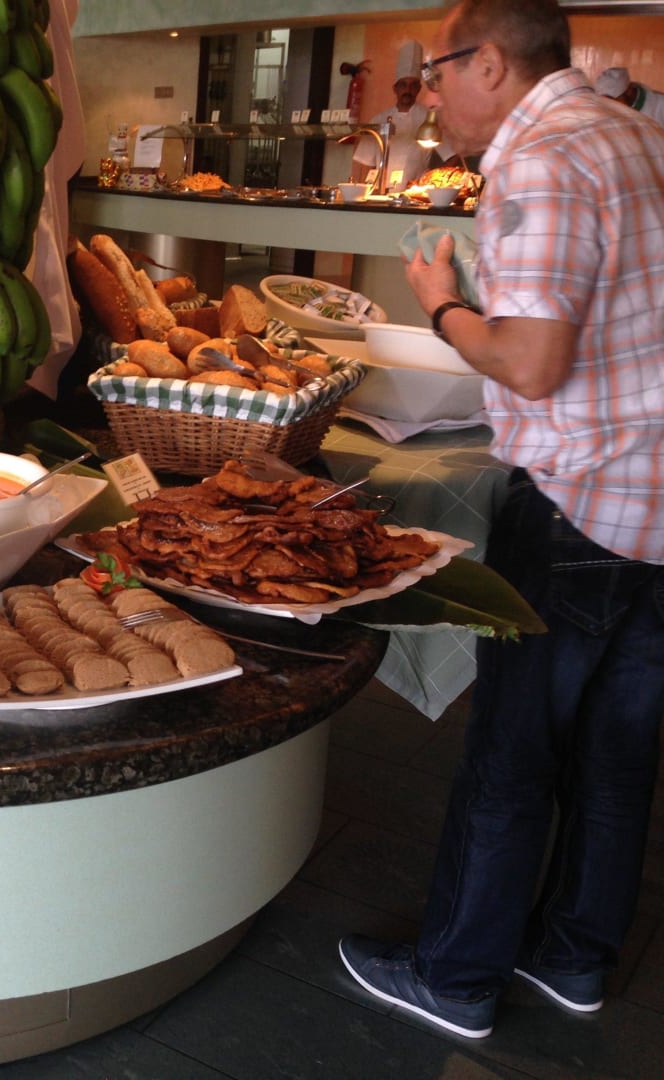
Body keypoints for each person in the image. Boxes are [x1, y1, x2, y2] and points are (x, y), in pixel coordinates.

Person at [337, 0, 664, 1040]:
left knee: (513, 751)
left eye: (436, 74)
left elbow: (529, 361)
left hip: (579, 501)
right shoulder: (635, 132)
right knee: (619, 752)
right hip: (657, 495)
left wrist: (441, 300)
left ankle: (458, 976)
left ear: (488, 62)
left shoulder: (541, 157)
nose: (430, 97)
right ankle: (576, 957)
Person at [351, 40, 451, 190]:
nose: (408, 90)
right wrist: (362, 192)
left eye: (413, 85)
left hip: (414, 194)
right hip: (380, 193)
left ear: (418, 89)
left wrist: (435, 182)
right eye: (403, 85)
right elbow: (364, 163)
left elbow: (452, 155)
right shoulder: (378, 120)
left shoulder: (429, 119)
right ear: (395, 88)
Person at [594, 66, 664, 124]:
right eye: (604, 101)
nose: (609, 106)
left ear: (629, 91)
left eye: (612, 100)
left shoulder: (660, 105)